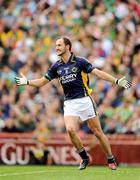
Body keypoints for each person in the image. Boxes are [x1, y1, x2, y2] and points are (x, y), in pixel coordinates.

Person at [15, 36, 131, 170]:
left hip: (85, 100)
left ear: (68, 46)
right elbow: (42, 81)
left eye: (59, 45)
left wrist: (116, 81)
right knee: (70, 130)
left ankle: (110, 159)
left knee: (97, 132)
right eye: (56, 45)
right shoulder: (56, 66)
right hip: (70, 102)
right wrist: (27, 82)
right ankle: (84, 157)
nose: (56, 48)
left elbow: (97, 73)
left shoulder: (80, 61)